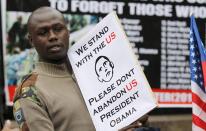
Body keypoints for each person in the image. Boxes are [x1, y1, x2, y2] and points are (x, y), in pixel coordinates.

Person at [13, 7, 146, 131]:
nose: (53, 36)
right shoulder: (29, 92)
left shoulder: (93, 72)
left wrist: (136, 112)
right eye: (43, 32)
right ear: (31, 40)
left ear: (68, 32)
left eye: (58, 29)